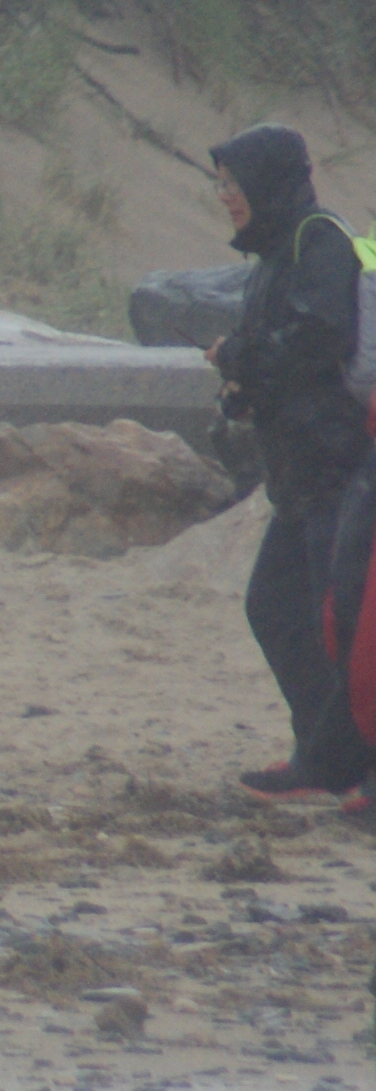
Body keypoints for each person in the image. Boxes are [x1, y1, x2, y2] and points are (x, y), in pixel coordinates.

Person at [205, 124, 371, 805]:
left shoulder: (319, 241)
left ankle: (354, 767)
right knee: (275, 609)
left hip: (339, 471)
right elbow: (281, 356)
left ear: (268, 182)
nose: (225, 196)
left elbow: (320, 336)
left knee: (345, 629)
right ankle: (322, 758)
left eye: (233, 183)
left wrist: (240, 357)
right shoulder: (274, 255)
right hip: (298, 476)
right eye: (220, 184)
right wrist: (241, 386)